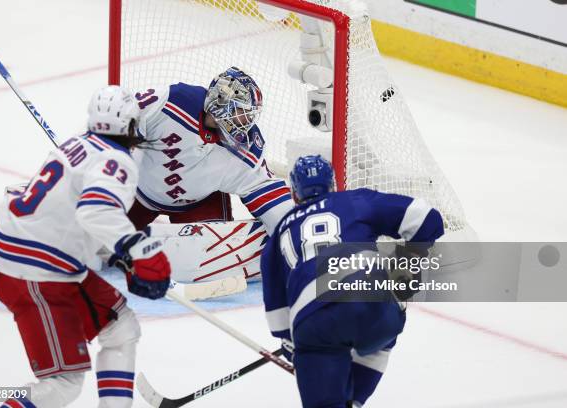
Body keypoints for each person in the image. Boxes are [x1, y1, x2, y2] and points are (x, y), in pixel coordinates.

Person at [0, 86, 171, 408]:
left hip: (34, 259)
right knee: (61, 386)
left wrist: (117, 256)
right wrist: (137, 249)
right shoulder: (118, 161)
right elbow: (95, 210)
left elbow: (70, 213)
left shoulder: (77, 144)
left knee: (121, 327)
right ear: (133, 125)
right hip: (35, 272)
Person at [260, 155, 445, 407]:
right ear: (333, 185)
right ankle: (354, 401)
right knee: (384, 333)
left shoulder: (279, 232)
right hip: (370, 302)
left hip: (313, 320)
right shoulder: (355, 200)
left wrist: (295, 346)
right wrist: (406, 269)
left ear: (294, 193)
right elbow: (427, 218)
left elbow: (279, 320)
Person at [127, 67, 293, 270]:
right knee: (98, 244)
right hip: (139, 194)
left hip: (198, 204)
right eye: (241, 113)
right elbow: (124, 118)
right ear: (221, 102)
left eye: (250, 116)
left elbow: (266, 192)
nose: (246, 123)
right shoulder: (174, 102)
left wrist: (295, 232)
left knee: (213, 259)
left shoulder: (247, 145)